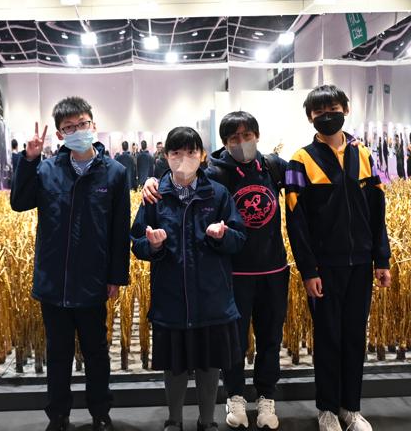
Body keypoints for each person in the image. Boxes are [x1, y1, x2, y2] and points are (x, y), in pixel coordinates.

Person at [143, 111, 289, 430]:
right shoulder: (214, 175)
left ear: (257, 136)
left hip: (269, 271)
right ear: (223, 143)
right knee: (229, 346)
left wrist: (225, 235)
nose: (242, 142)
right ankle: (233, 396)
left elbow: (240, 231)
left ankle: (266, 398)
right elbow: (178, 177)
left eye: (247, 136)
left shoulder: (272, 167)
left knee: (269, 339)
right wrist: (153, 182)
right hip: (227, 277)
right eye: (234, 138)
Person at [10, 96, 130, 431]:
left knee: (96, 352)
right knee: (58, 354)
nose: (78, 131)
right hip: (54, 281)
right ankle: (58, 416)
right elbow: (19, 202)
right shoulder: (47, 169)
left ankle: (100, 413)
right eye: (69, 127)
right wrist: (29, 160)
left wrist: (116, 276)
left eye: (82, 124)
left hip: (93, 280)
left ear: (93, 124)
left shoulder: (115, 173)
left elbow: (119, 230)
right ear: (60, 135)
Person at [285, 85, 391, 431]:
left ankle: (351, 408)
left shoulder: (364, 155)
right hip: (324, 268)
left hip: (360, 264)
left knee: (354, 337)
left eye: (333, 108)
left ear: (346, 109)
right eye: (319, 111)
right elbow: (296, 221)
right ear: (310, 117)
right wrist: (308, 270)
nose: (327, 115)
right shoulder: (300, 161)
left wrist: (382, 259)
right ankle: (327, 409)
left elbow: (377, 212)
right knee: (328, 338)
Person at [132, 126, 245, 431]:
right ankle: (174, 419)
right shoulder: (155, 197)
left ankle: (207, 420)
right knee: (175, 365)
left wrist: (222, 236)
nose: (184, 158)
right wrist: (153, 245)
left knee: (210, 364)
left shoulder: (218, 194)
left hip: (211, 298)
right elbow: (137, 242)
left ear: (202, 155)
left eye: (191, 152)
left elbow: (239, 238)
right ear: (166, 157)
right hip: (171, 299)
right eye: (176, 152)